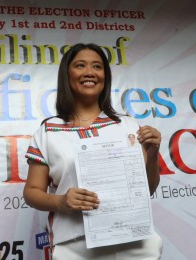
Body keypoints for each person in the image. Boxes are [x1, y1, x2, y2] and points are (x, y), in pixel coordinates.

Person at [23, 43, 162, 259]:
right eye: (80, 65)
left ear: (105, 76)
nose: (90, 72)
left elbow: (148, 189)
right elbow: (31, 192)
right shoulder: (48, 131)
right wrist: (61, 201)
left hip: (135, 241)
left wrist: (152, 154)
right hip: (75, 245)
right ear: (66, 75)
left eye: (97, 67)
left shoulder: (129, 126)